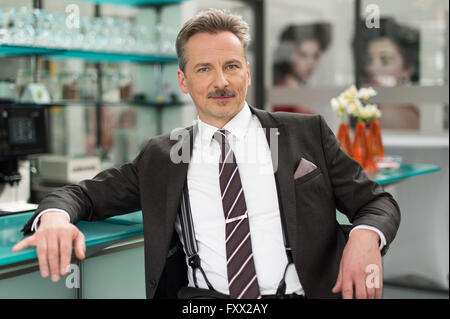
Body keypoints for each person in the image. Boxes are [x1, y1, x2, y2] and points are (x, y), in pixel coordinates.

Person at [13, 9, 400, 299]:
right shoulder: (162, 155)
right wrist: (55, 219)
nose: (221, 82)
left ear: (247, 72)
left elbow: (377, 202)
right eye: (203, 69)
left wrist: (364, 236)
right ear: (183, 80)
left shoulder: (304, 131)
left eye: (231, 66)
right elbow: (82, 195)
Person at [360, 17, 420, 130]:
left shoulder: (391, 115)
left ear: (408, 69)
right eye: (369, 59)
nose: (371, 67)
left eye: (385, 60)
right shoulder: (386, 109)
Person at [272, 23, 331, 114]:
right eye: (303, 55)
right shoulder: (281, 92)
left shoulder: (303, 89)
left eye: (315, 56)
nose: (310, 63)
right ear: (290, 55)